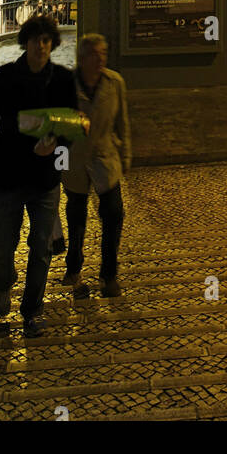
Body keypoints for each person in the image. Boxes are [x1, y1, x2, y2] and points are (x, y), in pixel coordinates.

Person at [0, 15, 86, 339]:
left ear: (52, 43)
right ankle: (4, 281)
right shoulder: (5, 76)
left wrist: (56, 145)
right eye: (35, 39)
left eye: (46, 40)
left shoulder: (62, 80)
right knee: (2, 245)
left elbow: (73, 126)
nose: (41, 45)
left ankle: (32, 311)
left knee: (41, 248)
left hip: (45, 179)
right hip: (8, 176)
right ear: (26, 43)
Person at [57, 34, 131, 299]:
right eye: (94, 54)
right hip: (75, 161)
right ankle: (74, 267)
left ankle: (109, 275)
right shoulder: (67, 84)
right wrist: (59, 164)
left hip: (105, 158)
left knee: (113, 215)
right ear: (82, 58)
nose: (100, 58)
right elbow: (57, 128)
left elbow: (122, 121)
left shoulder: (115, 83)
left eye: (104, 52)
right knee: (76, 219)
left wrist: (126, 157)